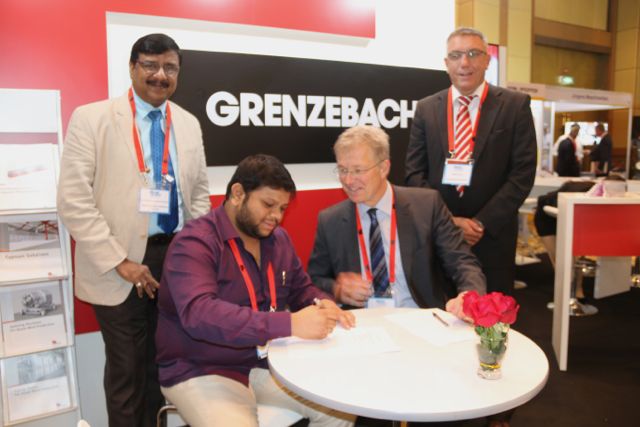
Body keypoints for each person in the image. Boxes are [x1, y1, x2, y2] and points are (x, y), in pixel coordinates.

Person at [57, 34, 211, 427]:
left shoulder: (189, 124)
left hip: (174, 262)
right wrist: (120, 260)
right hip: (118, 264)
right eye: (150, 65)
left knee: (162, 366)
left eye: (170, 67)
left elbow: (198, 196)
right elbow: (73, 200)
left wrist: (194, 255)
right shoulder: (92, 118)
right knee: (127, 372)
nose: (160, 75)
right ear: (132, 67)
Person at [156, 154, 356, 427]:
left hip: (265, 362)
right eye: (268, 205)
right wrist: (290, 323)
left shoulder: (279, 240)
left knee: (339, 408)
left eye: (283, 208)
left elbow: (301, 289)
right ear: (238, 194)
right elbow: (200, 315)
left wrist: (322, 302)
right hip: (203, 368)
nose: (277, 217)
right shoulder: (194, 242)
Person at [405, 27, 537, 297]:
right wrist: (449, 222)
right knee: (439, 312)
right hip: (439, 237)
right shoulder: (427, 108)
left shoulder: (515, 105)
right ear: (446, 63)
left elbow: (522, 174)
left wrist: (480, 223)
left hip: (492, 238)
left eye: (473, 54)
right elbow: (414, 173)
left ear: (487, 60)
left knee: (491, 314)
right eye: (456, 55)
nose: (464, 63)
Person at [308, 125, 485, 317]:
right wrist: (336, 289)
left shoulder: (426, 206)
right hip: (361, 323)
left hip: (420, 319)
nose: (349, 180)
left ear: (384, 168)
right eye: (343, 170)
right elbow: (314, 279)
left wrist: (469, 295)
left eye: (358, 170)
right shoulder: (330, 220)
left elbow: (462, 261)